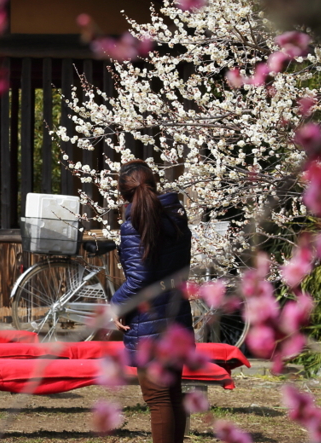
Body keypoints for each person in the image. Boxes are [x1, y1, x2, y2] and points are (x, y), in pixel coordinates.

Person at [109, 160, 193, 443]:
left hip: (148, 317)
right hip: (176, 310)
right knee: (172, 393)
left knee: (157, 397)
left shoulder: (135, 223)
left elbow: (138, 278)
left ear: (123, 193)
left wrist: (117, 305)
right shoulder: (176, 216)